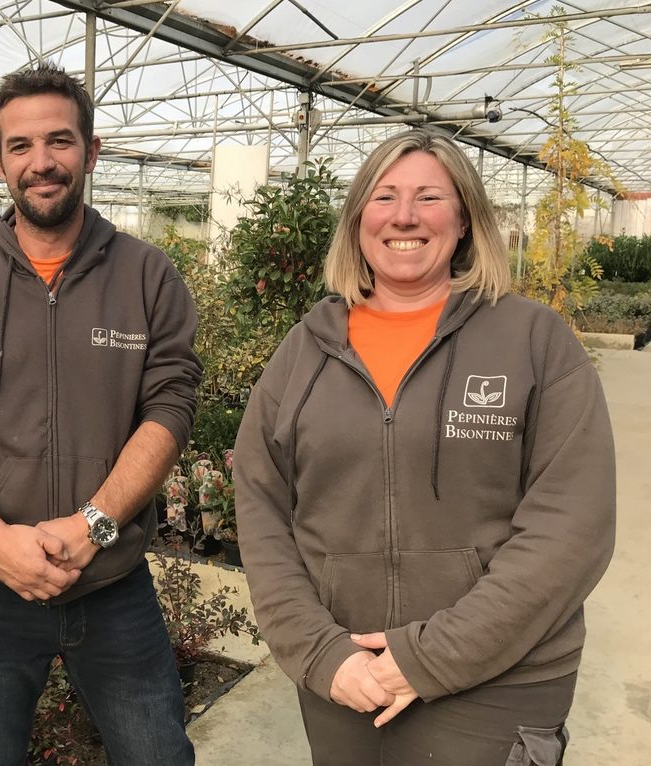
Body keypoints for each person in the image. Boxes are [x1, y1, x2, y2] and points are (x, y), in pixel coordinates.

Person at [233, 128, 615, 765]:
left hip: (499, 681)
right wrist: (321, 652)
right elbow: (261, 504)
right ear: (358, 220)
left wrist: (424, 658)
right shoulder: (306, 349)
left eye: (429, 197)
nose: (404, 216)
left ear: (464, 219)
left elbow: (570, 529)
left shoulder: (533, 341)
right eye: (383, 197)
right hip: (345, 680)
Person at [0, 63, 202, 765]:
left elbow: (170, 405)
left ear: (91, 151)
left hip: (112, 584)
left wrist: (93, 526)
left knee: (159, 754)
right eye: (21, 146)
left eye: (60, 142)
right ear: (0, 159)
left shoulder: (146, 276)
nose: (42, 163)